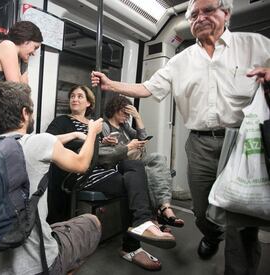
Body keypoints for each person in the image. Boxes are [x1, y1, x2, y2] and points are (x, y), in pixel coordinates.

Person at [91, 0, 270, 274]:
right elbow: (147, 88)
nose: (200, 17)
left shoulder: (254, 45)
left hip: (242, 141)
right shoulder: (181, 61)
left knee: (241, 219)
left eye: (208, 10)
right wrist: (110, 84)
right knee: (202, 211)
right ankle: (210, 234)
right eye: (194, 14)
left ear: (227, 14)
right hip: (200, 143)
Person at [46, 85, 176, 271]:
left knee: (136, 166)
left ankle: (142, 222)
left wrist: (102, 142)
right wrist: (79, 135)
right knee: (129, 184)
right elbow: (48, 140)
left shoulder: (94, 124)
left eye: (80, 96)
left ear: (89, 102)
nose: (75, 99)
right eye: (72, 96)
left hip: (101, 166)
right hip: (82, 171)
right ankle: (132, 245)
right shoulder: (63, 121)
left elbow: (101, 152)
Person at [0, 81, 103, 275]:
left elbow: (49, 141)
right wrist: (92, 133)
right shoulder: (38, 143)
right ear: (24, 113)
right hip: (37, 266)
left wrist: (72, 134)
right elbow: (82, 164)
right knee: (92, 223)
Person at [103, 95, 184, 228]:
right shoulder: (104, 126)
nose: (126, 116)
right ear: (114, 109)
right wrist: (129, 146)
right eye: (124, 112)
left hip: (134, 160)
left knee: (158, 158)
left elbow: (142, 137)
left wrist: (137, 117)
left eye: (128, 113)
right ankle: (157, 217)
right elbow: (107, 153)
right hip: (120, 163)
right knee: (148, 172)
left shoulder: (124, 126)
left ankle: (165, 205)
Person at [0, 21, 43, 142]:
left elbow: (25, 88)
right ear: (26, 40)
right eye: (35, 47)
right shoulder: (7, 46)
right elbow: (18, 93)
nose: (34, 52)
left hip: (2, 116)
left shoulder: (17, 56)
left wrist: (25, 61)